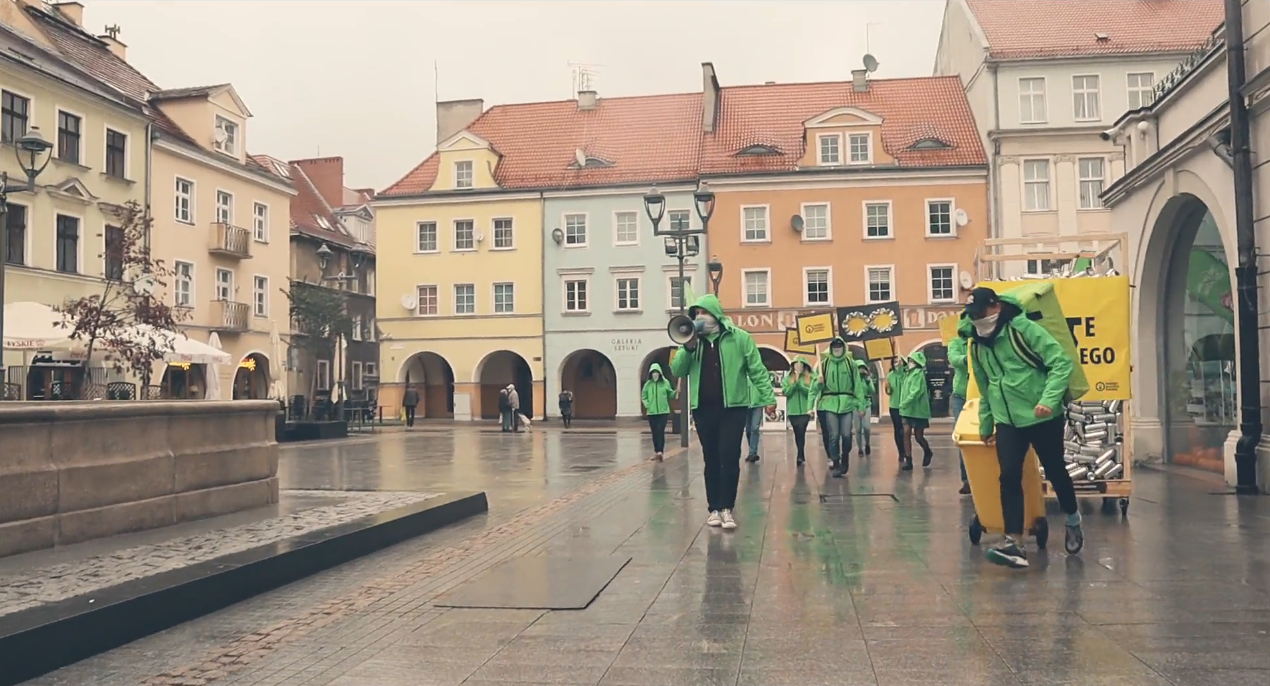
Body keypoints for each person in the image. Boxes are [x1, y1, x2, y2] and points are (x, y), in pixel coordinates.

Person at [961, 287, 1082, 569]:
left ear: (996, 307)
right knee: (1009, 476)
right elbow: (985, 383)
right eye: (972, 315)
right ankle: (1013, 542)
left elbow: (1060, 363)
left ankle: (1073, 518)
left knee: (1055, 471)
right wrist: (987, 422)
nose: (977, 319)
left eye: (980, 313)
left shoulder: (1022, 329)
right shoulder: (977, 343)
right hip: (1008, 420)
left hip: (1043, 415)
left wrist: (1048, 401)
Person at [670, 294, 776, 530]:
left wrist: (768, 398)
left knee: (728, 456)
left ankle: (727, 508)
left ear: (715, 313)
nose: (700, 317)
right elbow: (678, 369)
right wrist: (687, 347)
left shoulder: (739, 338)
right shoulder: (692, 342)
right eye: (696, 314)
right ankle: (714, 509)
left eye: (704, 313)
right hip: (703, 409)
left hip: (733, 408)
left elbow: (756, 370)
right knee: (711, 458)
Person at [816, 337, 866, 478]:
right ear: (831, 348)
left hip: (846, 403)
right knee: (833, 436)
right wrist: (819, 382)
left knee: (846, 435)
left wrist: (860, 405)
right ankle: (836, 462)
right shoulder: (824, 364)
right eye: (834, 346)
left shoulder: (851, 364)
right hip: (830, 403)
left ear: (843, 347)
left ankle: (845, 457)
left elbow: (857, 386)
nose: (837, 348)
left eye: (839, 346)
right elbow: (817, 387)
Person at [897, 352, 934, 471]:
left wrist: (904, 403)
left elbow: (916, 392)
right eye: (909, 360)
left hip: (918, 411)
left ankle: (927, 451)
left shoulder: (919, 374)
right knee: (906, 433)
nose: (910, 363)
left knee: (918, 436)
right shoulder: (907, 374)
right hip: (907, 410)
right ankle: (909, 460)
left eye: (912, 361)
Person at [948, 334, 971, 495]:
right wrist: (969, 357)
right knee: (962, 438)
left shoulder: (985, 339)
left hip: (983, 394)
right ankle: (966, 480)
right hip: (961, 396)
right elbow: (955, 359)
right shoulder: (956, 343)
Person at [783, 357, 817, 466]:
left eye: (800, 365)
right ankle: (800, 452)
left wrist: (800, 385)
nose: (798, 367)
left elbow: (811, 392)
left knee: (801, 431)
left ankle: (800, 455)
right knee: (797, 433)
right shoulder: (787, 378)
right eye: (796, 365)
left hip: (804, 410)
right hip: (793, 411)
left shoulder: (810, 377)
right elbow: (786, 392)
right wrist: (794, 383)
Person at [641, 363, 675, 461]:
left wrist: (676, 392)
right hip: (651, 413)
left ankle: (660, 451)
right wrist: (648, 405)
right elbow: (644, 396)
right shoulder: (648, 385)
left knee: (660, 431)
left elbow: (670, 394)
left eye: (656, 372)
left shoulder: (665, 383)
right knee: (654, 432)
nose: (655, 374)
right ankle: (656, 451)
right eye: (653, 373)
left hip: (663, 411)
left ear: (660, 373)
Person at [884, 357, 907, 460]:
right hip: (894, 406)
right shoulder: (890, 376)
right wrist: (887, 388)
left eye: (899, 361)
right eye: (895, 362)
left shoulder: (906, 374)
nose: (897, 364)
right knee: (898, 429)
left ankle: (907, 451)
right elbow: (889, 392)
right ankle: (901, 452)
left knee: (905, 430)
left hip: (905, 405)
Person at [743, 378, 766, 463]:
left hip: (758, 404)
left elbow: (765, 386)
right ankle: (751, 450)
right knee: (748, 429)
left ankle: (752, 452)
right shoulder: (744, 374)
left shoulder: (758, 374)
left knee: (755, 428)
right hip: (745, 403)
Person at [855, 359, 874, 458]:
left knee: (866, 427)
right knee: (858, 429)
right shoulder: (853, 380)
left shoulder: (867, 379)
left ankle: (867, 443)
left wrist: (868, 380)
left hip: (866, 404)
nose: (861, 370)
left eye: (863, 368)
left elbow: (872, 391)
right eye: (859, 368)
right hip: (856, 405)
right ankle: (860, 449)